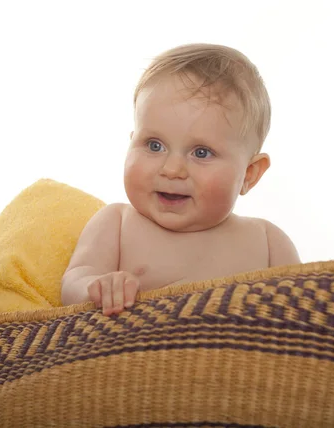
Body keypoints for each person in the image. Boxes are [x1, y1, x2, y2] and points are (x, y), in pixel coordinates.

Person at [61, 43, 300, 315]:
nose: (172, 169)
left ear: (249, 174)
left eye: (201, 152)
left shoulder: (268, 242)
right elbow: (72, 283)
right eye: (154, 145)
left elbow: (305, 311)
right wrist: (96, 287)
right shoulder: (116, 224)